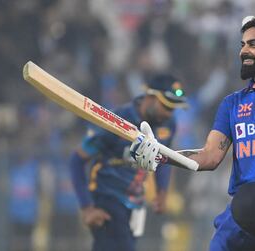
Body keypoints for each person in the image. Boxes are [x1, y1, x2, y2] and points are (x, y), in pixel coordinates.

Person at [130, 15, 255, 251]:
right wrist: (162, 155)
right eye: (242, 44)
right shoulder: (232, 104)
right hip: (242, 212)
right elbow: (210, 156)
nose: (244, 51)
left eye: (253, 44)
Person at [69, 73, 187, 251]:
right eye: (165, 106)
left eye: (173, 108)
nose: (169, 113)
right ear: (149, 95)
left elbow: (163, 158)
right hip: (106, 200)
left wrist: (161, 192)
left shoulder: (168, 125)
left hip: (135, 205)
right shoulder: (117, 120)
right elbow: (77, 160)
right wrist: (87, 208)